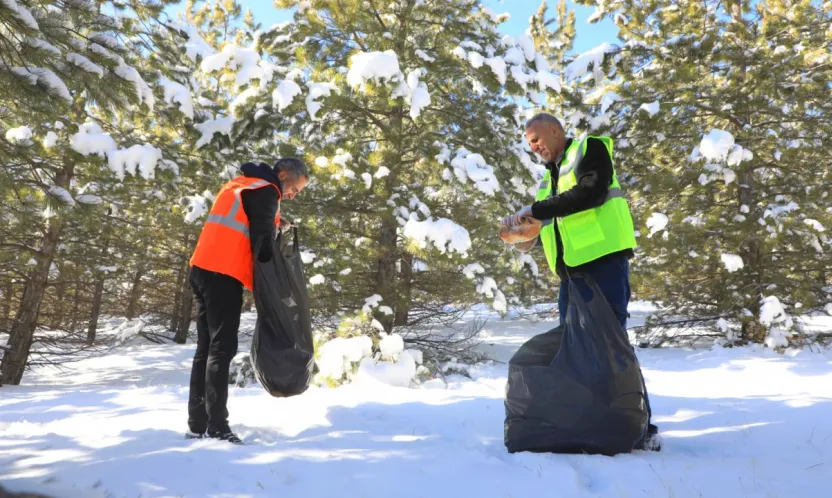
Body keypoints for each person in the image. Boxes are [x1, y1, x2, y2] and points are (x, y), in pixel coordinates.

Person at [503, 113, 660, 451]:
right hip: (571, 275)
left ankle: (638, 427)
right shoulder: (549, 181)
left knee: (611, 345)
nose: (534, 147)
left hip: (602, 264)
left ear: (556, 131)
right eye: (529, 143)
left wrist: (535, 209)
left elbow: (591, 192)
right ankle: (588, 422)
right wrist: (523, 235)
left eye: (536, 139)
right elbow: (549, 224)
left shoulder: (589, 149)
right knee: (576, 347)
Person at [185, 158, 309, 444]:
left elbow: (245, 221)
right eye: (294, 188)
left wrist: (277, 221)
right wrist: (272, 285)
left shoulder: (241, 184)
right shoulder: (267, 190)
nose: (291, 194)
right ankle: (217, 426)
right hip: (223, 275)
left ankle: (197, 423)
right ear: (283, 174)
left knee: (205, 349)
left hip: (201, 268)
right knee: (221, 349)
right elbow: (262, 242)